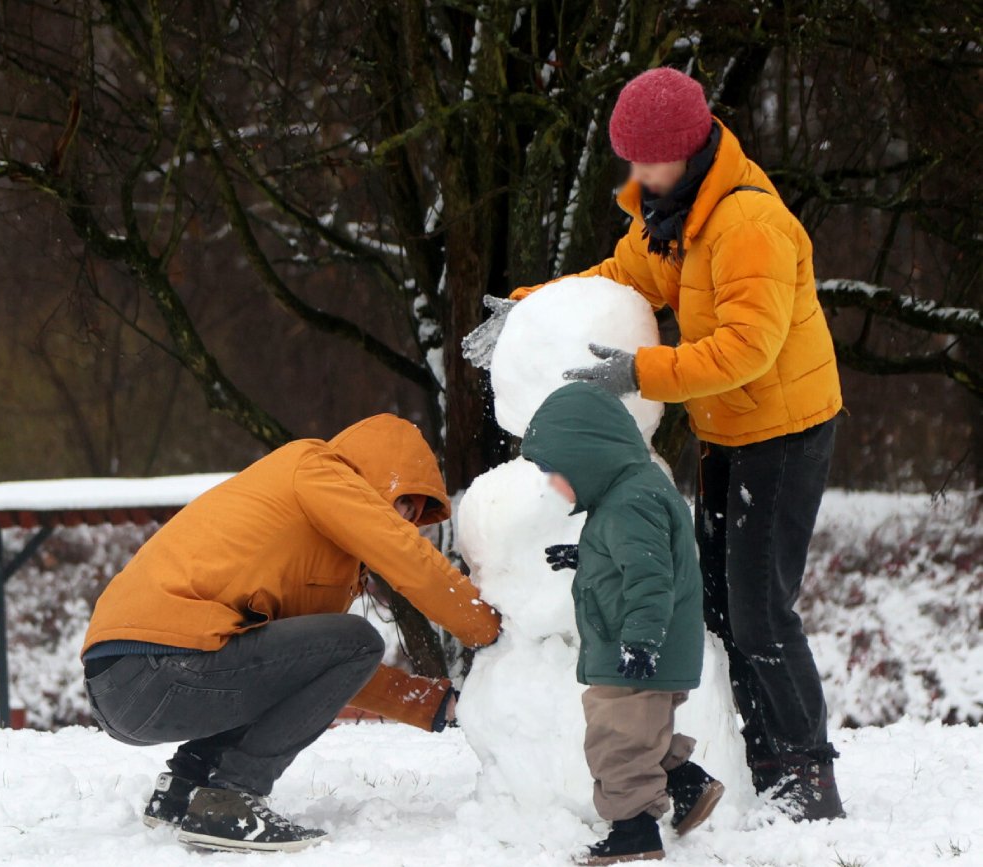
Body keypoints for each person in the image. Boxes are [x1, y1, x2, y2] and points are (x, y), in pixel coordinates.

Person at [512, 67, 845, 820]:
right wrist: (530, 309)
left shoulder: (745, 224)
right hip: (727, 428)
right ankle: (759, 753)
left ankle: (805, 773)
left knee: (762, 612)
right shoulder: (668, 212)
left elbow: (747, 348)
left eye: (646, 159)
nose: (636, 174)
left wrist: (639, 370)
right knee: (723, 608)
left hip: (785, 433)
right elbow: (619, 280)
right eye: (627, 159)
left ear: (687, 149)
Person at [81, 414, 501, 853]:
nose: (404, 522)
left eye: (413, 516)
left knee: (330, 647)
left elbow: (306, 672)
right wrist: (490, 628)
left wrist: (434, 705)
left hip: (124, 679)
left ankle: (185, 788)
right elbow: (407, 560)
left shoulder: (312, 547)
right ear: (378, 474)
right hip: (158, 666)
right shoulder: (317, 469)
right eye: (402, 504)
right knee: (360, 639)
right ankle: (233, 796)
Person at [521, 382, 723, 865]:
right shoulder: (630, 494)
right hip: (641, 646)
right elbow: (635, 560)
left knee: (616, 740)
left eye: (555, 472)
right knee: (639, 734)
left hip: (635, 649)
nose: (552, 483)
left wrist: (640, 642)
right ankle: (688, 784)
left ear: (588, 457)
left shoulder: (631, 501)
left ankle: (634, 832)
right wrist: (588, 555)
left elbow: (651, 578)